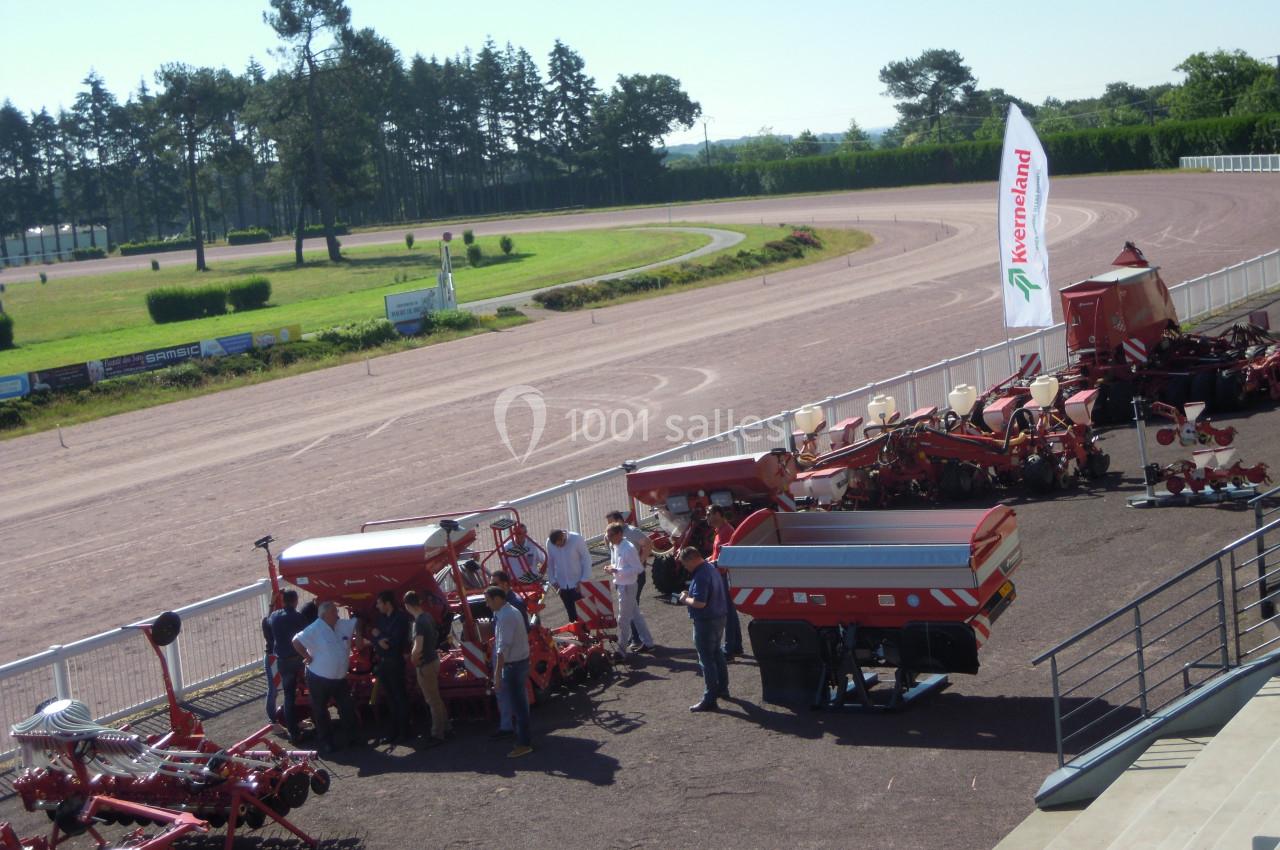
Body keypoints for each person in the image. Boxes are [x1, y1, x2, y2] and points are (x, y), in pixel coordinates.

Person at [292, 601, 361, 752]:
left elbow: (357, 622)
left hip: (339, 678)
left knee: (347, 707)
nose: (337, 615)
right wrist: (307, 656)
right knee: (320, 710)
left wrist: (360, 637)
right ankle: (326, 742)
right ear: (324, 615)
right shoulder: (315, 629)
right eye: (334, 612)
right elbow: (296, 641)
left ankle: (353, 737)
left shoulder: (341, 625)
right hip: (318, 677)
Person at [677, 547, 729, 712]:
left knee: (706, 659)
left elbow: (700, 603)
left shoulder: (701, 575)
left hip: (706, 621)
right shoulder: (710, 568)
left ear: (691, 560)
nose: (685, 568)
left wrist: (685, 599)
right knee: (717, 653)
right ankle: (722, 688)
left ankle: (709, 698)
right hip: (719, 617)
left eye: (685, 564)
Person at [486, 587, 533, 758]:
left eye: (488, 600)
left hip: (513, 666)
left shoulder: (506, 617)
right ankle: (523, 740)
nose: (487, 604)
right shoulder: (508, 612)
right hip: (519, 663)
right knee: (521, 705)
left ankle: (524, 744)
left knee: (519, 707)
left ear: (497, 599)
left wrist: (497, 675)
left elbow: (502, 649)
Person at [403, 591, 449, 747]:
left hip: (425, 664)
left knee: (432, 701)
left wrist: (413, 659)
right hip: (434, 659)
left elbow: (418, 646)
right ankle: (446, 728)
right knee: (437, 698)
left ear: (407, 605)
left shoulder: (418, 622)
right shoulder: (428, 617)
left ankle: (437, 734)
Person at [605, 523, 654, 659]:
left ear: (619, 534)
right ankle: (649, 642)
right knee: (636, 615)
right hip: (623, 585)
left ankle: (621, 652)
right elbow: (621, 565)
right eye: (607, 536)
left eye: (611, 535)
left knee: (623, 619)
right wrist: (612, 567)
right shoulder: (617, 546)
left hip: (627, 586)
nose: (608, 538)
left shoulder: (628, 548)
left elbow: (638, 568)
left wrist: (616, 570)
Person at [371, 591, 412, 745]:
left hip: (395, 662)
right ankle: (393, 732)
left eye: (379, 603)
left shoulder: (400, 618)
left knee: (399, 697)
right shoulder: (381, 619)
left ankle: (404, 731)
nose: (377, 606)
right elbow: (375, 637)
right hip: (383, 663)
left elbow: (392, 643)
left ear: (387, 603)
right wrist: (379, 638)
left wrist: (379, 637)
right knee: (390, 698)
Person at [266, 590, 308, 743]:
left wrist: (272, 604)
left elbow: (267, 621)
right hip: (298, 660)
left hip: (283, 661)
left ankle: (293, 732)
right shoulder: (299, 617)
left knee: (289, 696)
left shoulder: (275, 616)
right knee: (308, 691)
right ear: (296, 601)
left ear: (284, 601)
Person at [707, 505, 745, 660]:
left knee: (727, 613)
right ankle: (736, 647)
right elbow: (717, 554)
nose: (707, 518)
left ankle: (730, 649)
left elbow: (726, 556)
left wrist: (710, 564)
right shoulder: (720, 531)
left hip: (725, 576)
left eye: (709, 514)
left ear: (718, 514)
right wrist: (708, 560)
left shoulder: (726, 531)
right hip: (722, 575)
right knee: (730, 613)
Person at [545, 529, 592, 622]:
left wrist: (583, 580)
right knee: (571, 615)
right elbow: (550, 562)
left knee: (583, 615)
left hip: (577, 584)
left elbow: (586, 559)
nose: (559, 547)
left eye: (561, 544)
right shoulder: (549, 543)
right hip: (562, 585)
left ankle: (585, 631)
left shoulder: (577, 539)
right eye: (557, 546)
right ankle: (575, 630)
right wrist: (552, 580)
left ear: (563, 536)